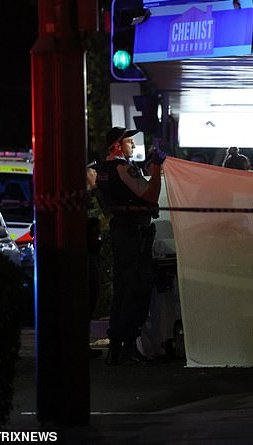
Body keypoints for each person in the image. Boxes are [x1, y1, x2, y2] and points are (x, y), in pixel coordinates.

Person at [96, 127, 166, 365]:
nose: (134, 147)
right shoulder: (124, 167)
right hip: (135, 235)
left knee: (121, 289)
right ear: (117, 145)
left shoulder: (102, 169)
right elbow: (150, 195)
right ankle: (127, 347)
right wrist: (156, 168)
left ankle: (116, 346)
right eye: (129, 142)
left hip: (120, 232)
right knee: (136, 288)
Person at [86, 163, 108, 359]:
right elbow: (100, 218)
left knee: (91, 296)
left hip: (91, 251)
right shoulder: (86, 197)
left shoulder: (91, 195)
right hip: (85, 252)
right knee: (87, 295)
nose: (96, 174)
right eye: (93, 171)